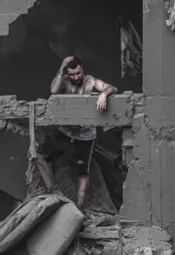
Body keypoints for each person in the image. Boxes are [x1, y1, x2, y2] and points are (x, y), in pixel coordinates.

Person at [36, 56, 118, 209]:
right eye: (72, 74)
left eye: (78, 73)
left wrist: (104, 94)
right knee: (40, 156)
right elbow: (53, 90)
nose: (76, 77)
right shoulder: (65, 80)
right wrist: (61, 68)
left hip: (85, 135)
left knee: (83, 171)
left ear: (82, 68)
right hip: (65, 131)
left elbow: (112, 88)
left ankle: (79, 208)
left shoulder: (91, 81)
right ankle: (55, 193)